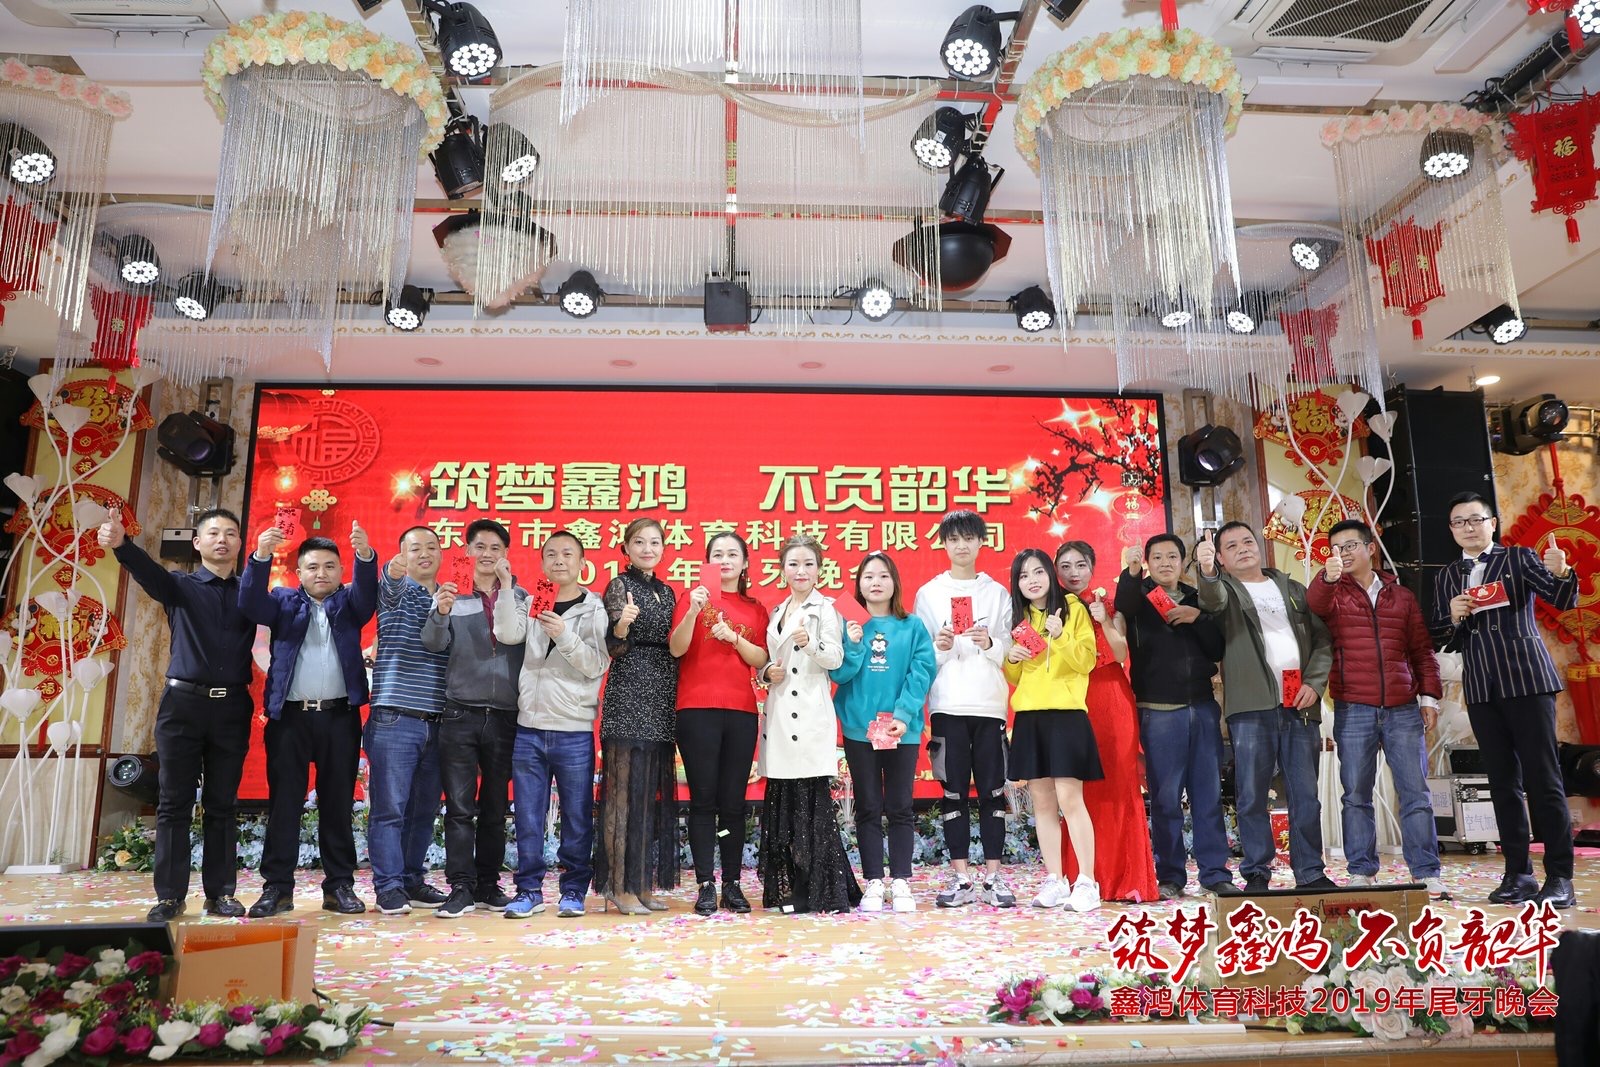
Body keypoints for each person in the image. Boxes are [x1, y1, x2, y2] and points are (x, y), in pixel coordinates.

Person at [99, 509, 255, 922]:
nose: (222, 539)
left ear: (240, 543)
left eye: (231, 533)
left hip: (232, 707)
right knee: (173, 803)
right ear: (197, 543)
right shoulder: (180, 586)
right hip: (183, 706)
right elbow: (149, 574)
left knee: (223, 804)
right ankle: (170, 896)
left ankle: (221, 894)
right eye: (213, 533)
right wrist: (122, 545)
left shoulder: (250, 594)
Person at [1429, 491, 1579, 908]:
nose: (1468, 528)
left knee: (1543, 779)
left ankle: (1560, 877)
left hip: (1526, 679)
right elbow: (1438, 634)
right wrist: (1452, 616)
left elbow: (1563, 599)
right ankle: (1518, 874)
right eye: (1459, 522)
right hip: (1482, 687)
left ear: (1492, 523)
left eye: (1475, 520)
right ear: (1451, 530)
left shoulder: (1518, 558)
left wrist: (1562, 571)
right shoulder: (1446, 576)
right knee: (1501, 784)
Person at [238, 522, 377, 917]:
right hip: (290, 721)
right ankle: (277, 889)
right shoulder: (283, 602)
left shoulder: (348, 604)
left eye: (330, 566)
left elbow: (367, 595)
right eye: (313, 567)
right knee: (285, 805)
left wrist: (365, 556)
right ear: (299, 572)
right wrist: (261, 557)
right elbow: (250, 604)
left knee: (337, 804)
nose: (322, 573)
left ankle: (340, 887)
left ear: (341, 571)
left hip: (339, 718)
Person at [1196, 522, 1336, 893]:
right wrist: (1207, 572)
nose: (1243, 548)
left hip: (1299, 702)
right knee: (1252, 794)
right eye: (1231, 546)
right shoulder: (1225, 589)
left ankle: (1311, 872)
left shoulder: (1292, 588)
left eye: (1248, 541)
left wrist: (1314, 683)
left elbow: (1323, 640)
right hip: (1250, 706)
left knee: (1305, 795)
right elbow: (1211, 601)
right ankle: (1257, 871)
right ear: (1221, 558)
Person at [1309, 519, 1445, 898]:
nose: (1344, 553)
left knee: (1415, 792)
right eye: (1336, 548)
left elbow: (1422, 650)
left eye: (1351, 545)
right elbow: (1313, 605)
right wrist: (1327, 578)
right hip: (1353, 707)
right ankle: (1361, 871)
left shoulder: (1401, 596)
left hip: (1403, 707)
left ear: (1371, 548)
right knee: (1356, 794)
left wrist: (1428, 697)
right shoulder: (1333, 593)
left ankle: (1426, 872)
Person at [493, 530, 609, 919]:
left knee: (576, 815)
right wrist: (506, 587)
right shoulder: (534, 601)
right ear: (542, 562)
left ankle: (573, 889)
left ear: (582, 563)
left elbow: (596, 664)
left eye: (567, 554)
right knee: (528, 816)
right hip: (529, 726)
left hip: (574, 730)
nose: (559, 560)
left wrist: (565, 635)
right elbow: (506, 633)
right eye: (552, 554)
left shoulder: (594, 609)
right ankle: (528, 890)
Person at [1114, 534, 1232, 899]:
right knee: (1166, 800)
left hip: (1202, 708)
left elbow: (1216, 648)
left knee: (1208, 796)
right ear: (1147, 562)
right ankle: (1170, 876)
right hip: (1158, 712)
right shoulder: (1138, 598)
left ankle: (1215, 873)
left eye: (1172, 557)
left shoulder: (1198, 597)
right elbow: (1123, 602)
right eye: (1157, 557)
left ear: (1182, 562)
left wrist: (1198, 619)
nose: (1165, 563)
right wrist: (1131, 571)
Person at [421, 519, 527, 918]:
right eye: (479, 546)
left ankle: (487, 885)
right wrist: (440, 612)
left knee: (496, 808)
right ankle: (461, 886)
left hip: (506, 716)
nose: (487, 554)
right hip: (460, 712)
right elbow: (433, 643)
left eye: (495, 548)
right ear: (467, 552)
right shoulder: (451, 593)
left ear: (506, 554)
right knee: (460, 808)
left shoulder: (521, 597)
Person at [912, 509, 1016, 909]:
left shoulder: (997, 593)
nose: (961, 546)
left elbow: (1011, 651)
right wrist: (939, 649)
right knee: (953, 792)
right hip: (947, 705)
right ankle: (960, 879)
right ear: (943, 543)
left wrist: (990, 643)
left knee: (992, 792)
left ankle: (992, 878)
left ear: (981, 542)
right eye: (953, 539)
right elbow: (920, 656)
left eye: (969, 538)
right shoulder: (929, 593)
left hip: (989, 706)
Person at [759, 534, 860, 913]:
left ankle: (818, 890)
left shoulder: (828, 608)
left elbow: (835, 659)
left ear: (819, 570)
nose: (800, 571)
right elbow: (769, 660)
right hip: (780, 713)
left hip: (810, 712)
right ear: (782, 569)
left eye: (808, 564)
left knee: (810, 806)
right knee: (784, 804)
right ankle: (789, 889)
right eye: (793, 564)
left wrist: (810, 643)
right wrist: (766, 672)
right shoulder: (777, 610)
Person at [830, 551, 936, 913]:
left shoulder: (912, 626)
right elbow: (840, 674)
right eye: (868, 576)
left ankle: (901, 880)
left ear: (895, 583)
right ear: (859, 584)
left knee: (901, 806)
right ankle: (874, 881)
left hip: (901, 730)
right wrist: (853, 644)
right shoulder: (849, 624)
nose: (876, 582)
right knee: (868, 806)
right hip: (860, 730)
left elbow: (922, 671)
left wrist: (904, 715)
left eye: (883, 576)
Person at [670, 532, 769, 916]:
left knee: (733, 803)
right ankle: (705, 884)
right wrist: (693, 612)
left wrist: (733, 638)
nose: (725, 560)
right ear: (707, 562)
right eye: (717, 554)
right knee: (702, 800)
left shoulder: (755, 609)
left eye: (732, 554)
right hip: (696, 710)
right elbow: (676, 648)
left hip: (741, 712)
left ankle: (731, 883)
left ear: (744, 564)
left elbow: (761, 659)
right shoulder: (691, 598)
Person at [1054, 541, 1158, 905]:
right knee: (1077, 791)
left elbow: (1120, 653)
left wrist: (1103, 620)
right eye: (1065, 566)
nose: (1073, 573)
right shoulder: (1052, 610)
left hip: (1111, 699)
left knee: (1117, 785)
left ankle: (1125, 879)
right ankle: (1084, 878)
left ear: (1092, 567)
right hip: (1070, 699)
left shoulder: (1108, 603)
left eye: (1080, 565)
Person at [1003, 548, 1101, 912]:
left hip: (1066, 714)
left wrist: (1060, 637)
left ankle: (1087, 882)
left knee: (1070, 800)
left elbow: (1086, 661)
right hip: (1030, 717)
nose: (1032, 580)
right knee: (1042, 804)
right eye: (1024, 575)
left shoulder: (1072, 608)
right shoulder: (1020, 619)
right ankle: (1055, 880)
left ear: (1050, 575)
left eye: (1038, 572)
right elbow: (1017, 677)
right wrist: (1011, 659)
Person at [595, 518, 681, 915]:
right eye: (640, 542)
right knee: (621, 797)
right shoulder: (619, 586)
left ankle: (640, 884)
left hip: (661, 696)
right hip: (629, 692)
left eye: (655, 542)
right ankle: (617, 886)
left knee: (647, 797)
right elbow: (613, 648)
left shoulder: (667, 591)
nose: (648, 549)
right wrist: (622, 624)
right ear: (626, 548)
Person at [365, 525, 451, 916]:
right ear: (402, 554)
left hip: (440, 720)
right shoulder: (396, 592)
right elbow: (388, 583)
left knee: (423, 810)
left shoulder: (449, 597)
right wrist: (391, 571)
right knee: (390, 809)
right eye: (415, 548)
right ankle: (388, 887)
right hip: (395, 717)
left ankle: (412, 879)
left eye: (432, 547)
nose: (424, 553)